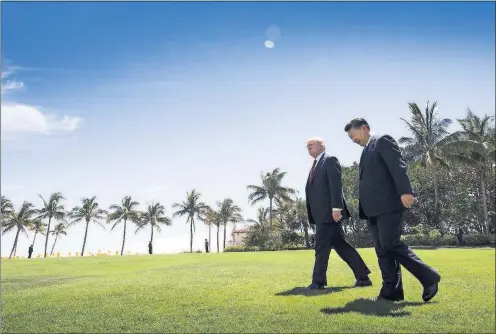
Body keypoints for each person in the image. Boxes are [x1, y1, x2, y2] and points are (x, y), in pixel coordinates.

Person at [344, 118, 441, 302]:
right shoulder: (366, 150)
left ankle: (429, 277)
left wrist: (405, 191)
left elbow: (398, 166)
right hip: (372, 209)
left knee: (390, 244)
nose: (353, 139)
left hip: (388, 205)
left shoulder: (382, 140)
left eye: (353, 135)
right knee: (382, 250)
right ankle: (391, 291)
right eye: (350, 138)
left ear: (364, 128)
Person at [305, 137, 372, 290]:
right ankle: (363, 277)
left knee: (321, 246)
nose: (308, 147)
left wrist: (336, 208)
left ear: (321, 146)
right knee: (342, 247)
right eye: (307, 146)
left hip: (328, 214)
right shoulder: (315, 165)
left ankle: (318, 282)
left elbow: (336, 186)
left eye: (311, 144)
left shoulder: (329, 160)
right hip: (321, 214)